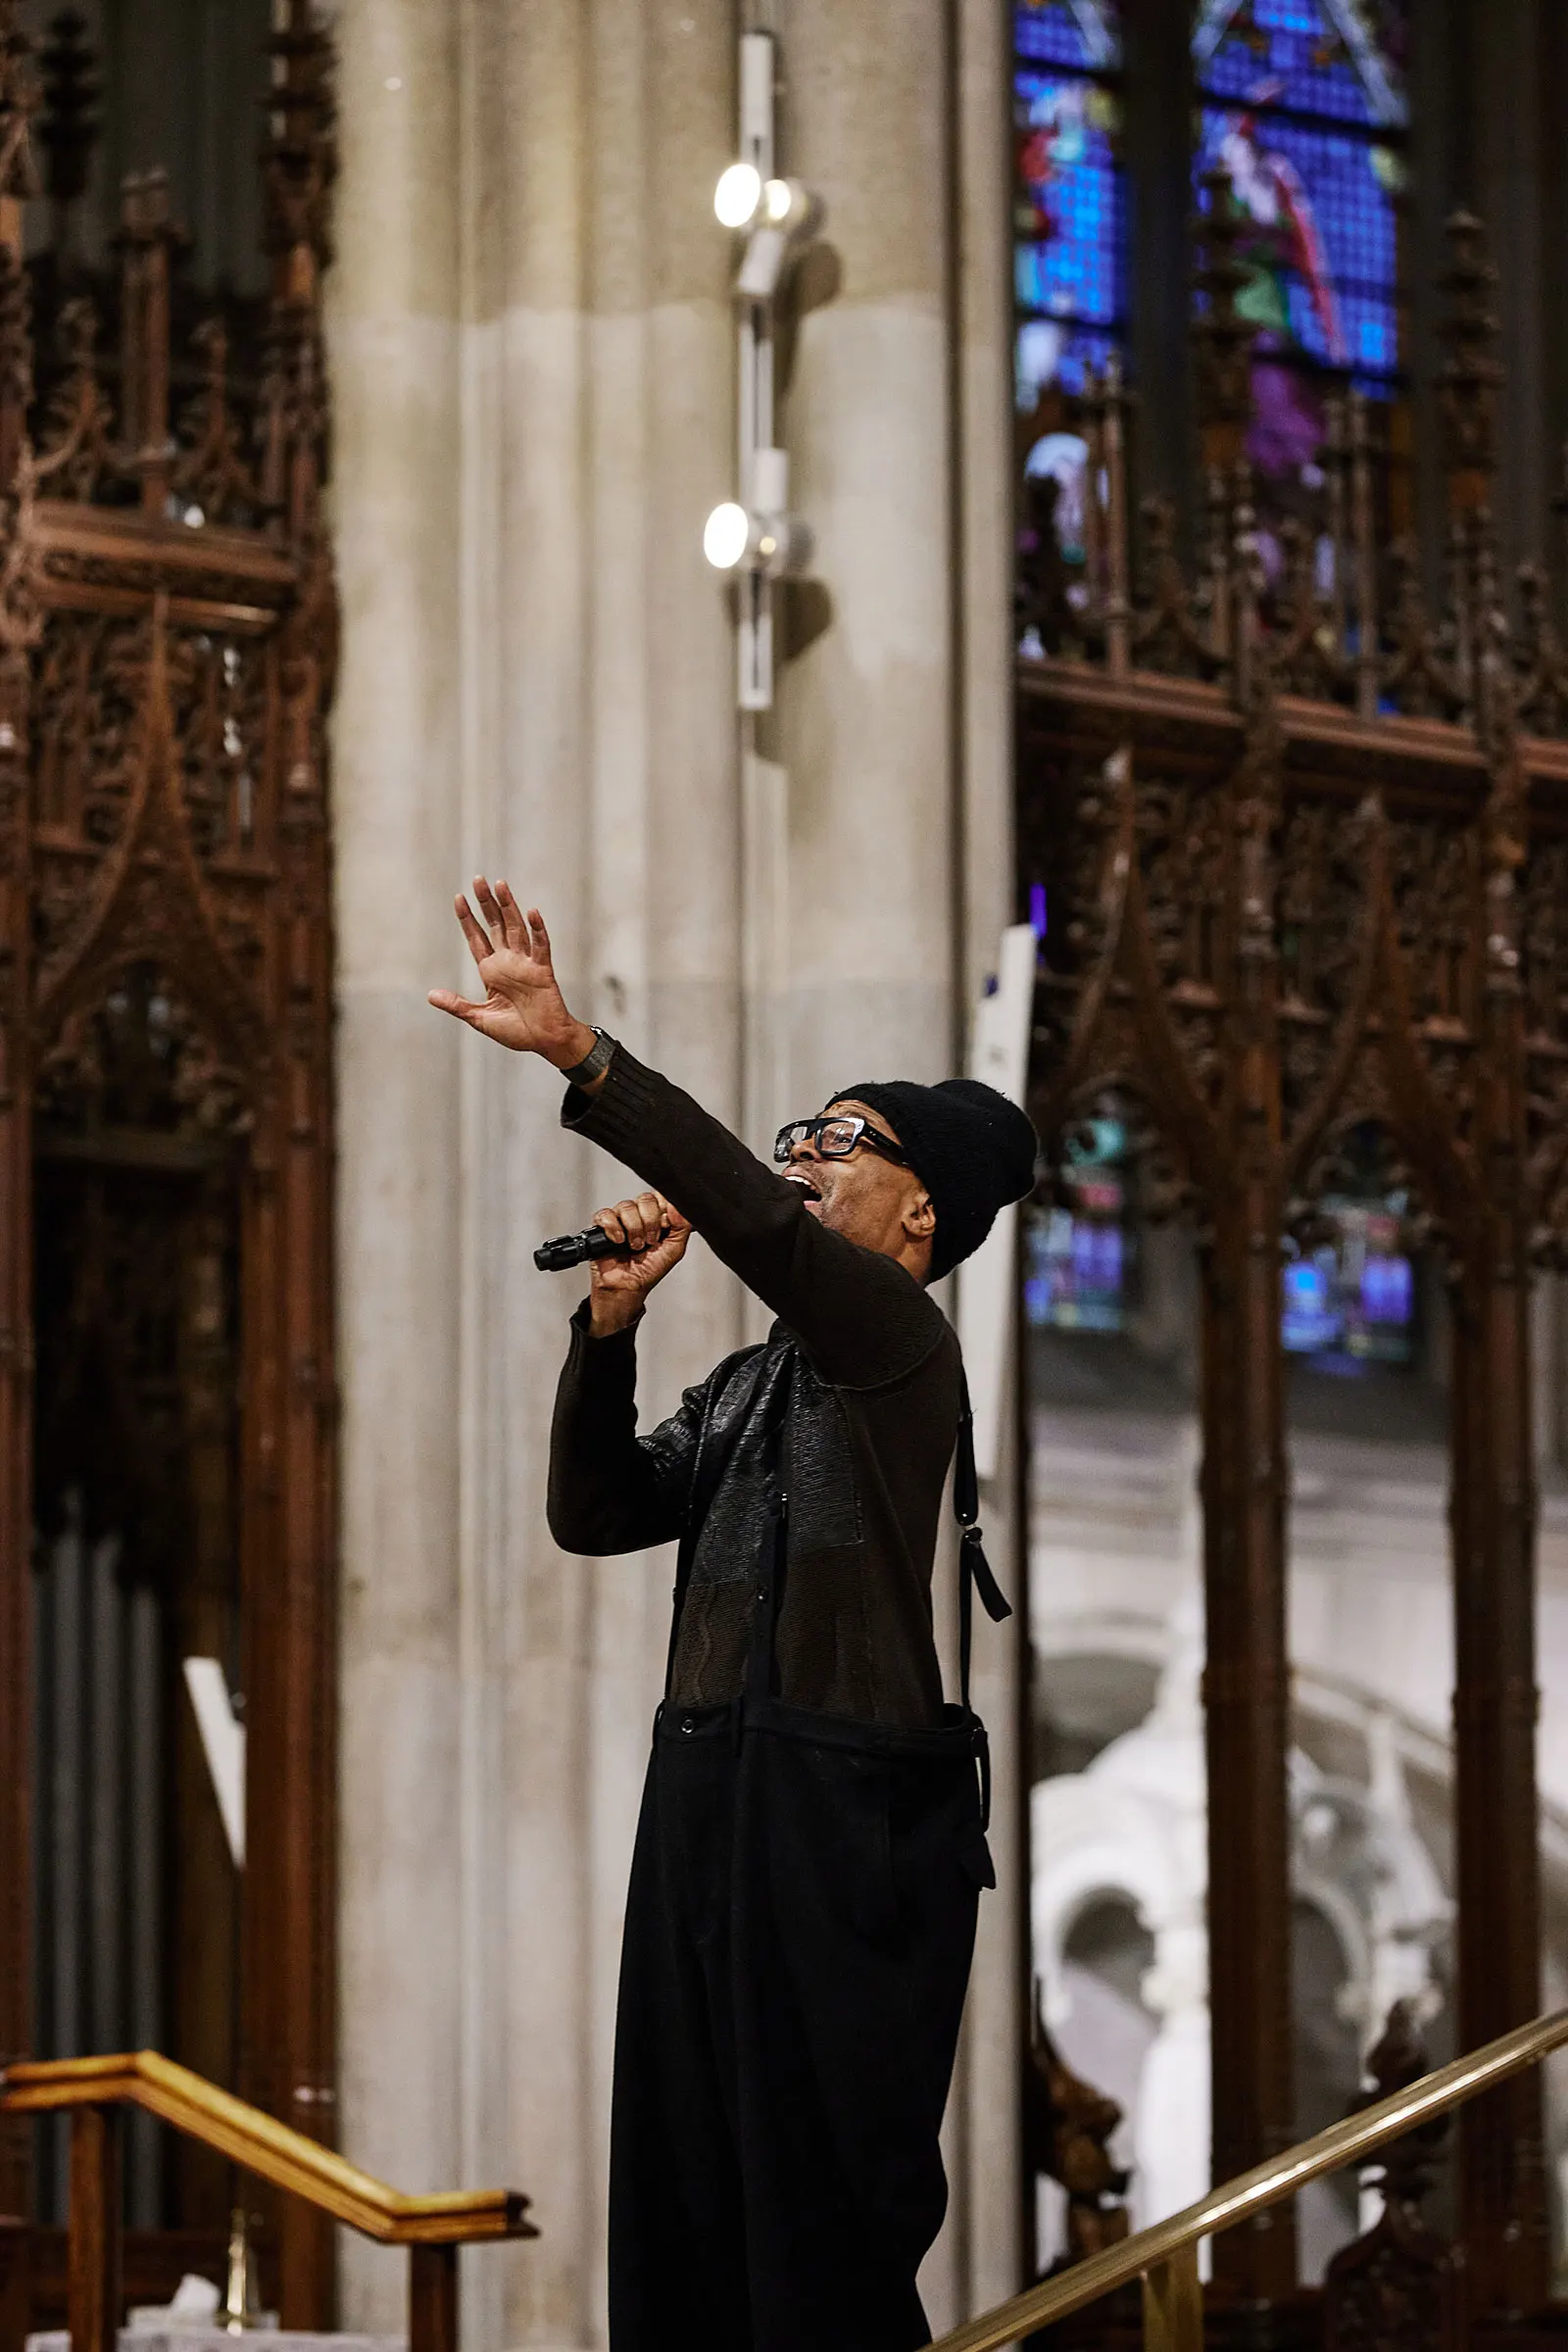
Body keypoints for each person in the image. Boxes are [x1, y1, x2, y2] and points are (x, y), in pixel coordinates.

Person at [429, 876, 1038, 2352]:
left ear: (921, 1211)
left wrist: (587, 1058)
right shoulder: (754, 1385)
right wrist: (610, 1330)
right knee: (685, 2203)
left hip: (837, 1814)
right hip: (706, 1791)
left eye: (843, 1140)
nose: (807, 1158)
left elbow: (759, 1222)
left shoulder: (903, 1346)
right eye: (803, 1136)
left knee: (812, 2235)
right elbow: (597, 1513)